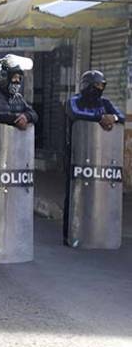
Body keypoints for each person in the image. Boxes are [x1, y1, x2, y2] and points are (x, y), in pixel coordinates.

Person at [0, 54, 38, 260]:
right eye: (14, 78)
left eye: (19, 79)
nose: (17, 83)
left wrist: (26, 116)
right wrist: (14, 119)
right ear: (3, 77)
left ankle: (9, 240)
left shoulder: (18, 98)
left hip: (14, 153)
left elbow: (33, 114)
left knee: (12, 196)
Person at [63, 70, 125, 245]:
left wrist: (111, 117)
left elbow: (119, 116)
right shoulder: (73, 101)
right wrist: (100, 118)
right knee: (73, 190)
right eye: (96, 85)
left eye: (101, 86)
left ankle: (98, 229)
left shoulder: (104, 103)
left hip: (100, 154)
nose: (99, 89)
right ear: (87, 86)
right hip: (75, 153)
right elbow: (76, 113)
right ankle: (70, 233)